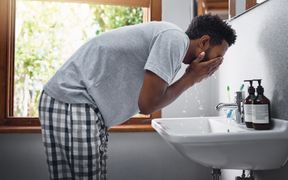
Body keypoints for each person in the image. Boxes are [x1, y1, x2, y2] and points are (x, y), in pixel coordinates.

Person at [38, 14, 236, 179]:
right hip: (73, 98)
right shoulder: (174, 40)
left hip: (75, 102)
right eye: (219, 56)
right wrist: (191, 78)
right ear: (204, 42)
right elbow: (148, 105)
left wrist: (190, 77)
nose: (218, 64)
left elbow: (150, 101)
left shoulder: (172, 43)